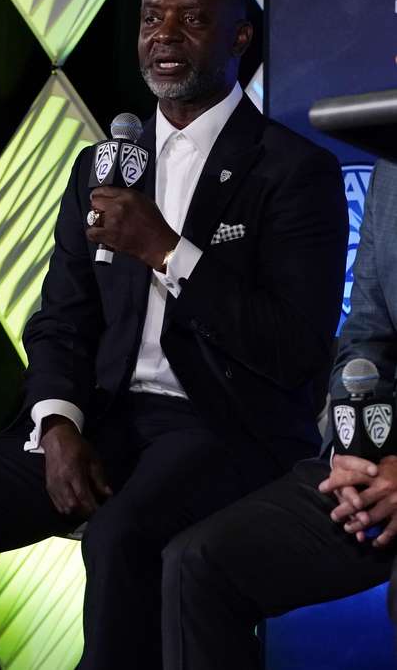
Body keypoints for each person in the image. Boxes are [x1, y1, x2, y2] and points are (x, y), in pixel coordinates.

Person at [0, 0, 347, 670]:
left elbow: (294, 347)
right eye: (152, 17)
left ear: (239, 38)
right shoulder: (101, 164)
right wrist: (57, 421)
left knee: (123, 535)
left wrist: (168, 251)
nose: (164, 34)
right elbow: (62, 318)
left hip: (221, 424)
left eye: (191, 18)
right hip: (101, 417)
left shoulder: (294, 169)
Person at [162, 159, 397, 669]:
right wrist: (356, 449)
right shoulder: (390, 165)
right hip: (378, 460)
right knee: (197, 566)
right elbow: (366, 333)